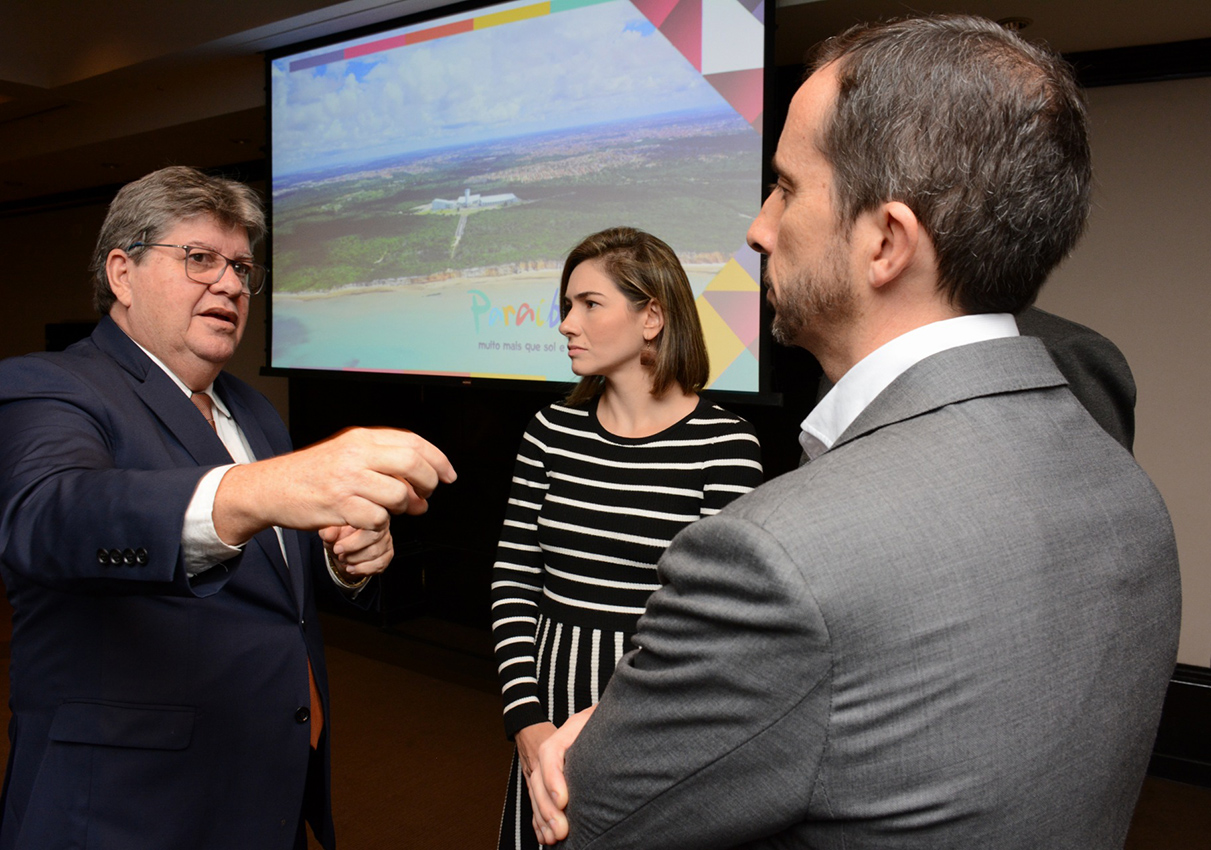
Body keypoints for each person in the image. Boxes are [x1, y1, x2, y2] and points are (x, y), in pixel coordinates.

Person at [527, 16, 1181, 848]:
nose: (760, 228)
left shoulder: (776, 554)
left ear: (884, 242)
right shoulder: (1129, 493)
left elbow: (596, 820)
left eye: (786, 188)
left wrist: (592, 754)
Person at [0, 166, 455, 850]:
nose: (232, 284)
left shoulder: (251, 409)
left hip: (263, 788)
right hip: (123, 811)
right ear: (122, 274)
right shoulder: (49, 385)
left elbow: (273, 591)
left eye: (242, 266)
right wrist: (263, 489)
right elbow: (49, 516)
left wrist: (347, 562)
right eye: (200, 259)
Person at [490, 226, 763, 849]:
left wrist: (618, 723)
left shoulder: (723, 445)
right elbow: (512, 581)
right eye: (566, 306)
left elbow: (715, 620)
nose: (565, 323)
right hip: (547, 692)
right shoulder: (550, 430)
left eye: (589, 304)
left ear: (652, 317)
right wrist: (526, 723)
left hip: (656, 704)